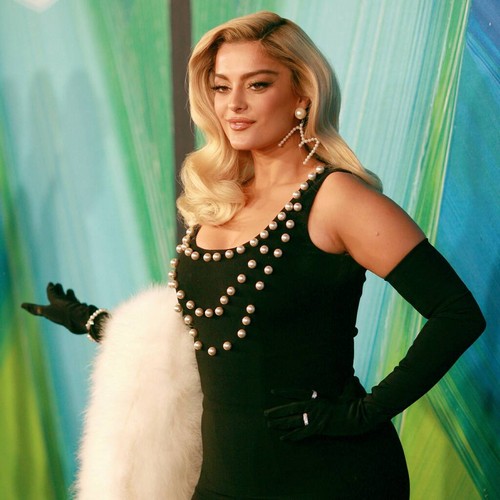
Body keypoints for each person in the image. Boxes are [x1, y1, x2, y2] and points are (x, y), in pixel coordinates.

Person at [22, 11, 486, 500]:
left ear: (303, 94)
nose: (234, 105)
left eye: (258, 85)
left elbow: (456, 313)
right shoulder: (221, 199)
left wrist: (361, 414)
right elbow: (221, 334)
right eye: (221, 87)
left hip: (328, 478)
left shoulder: (338, 199)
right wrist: (96, 322)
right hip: (223, 478)